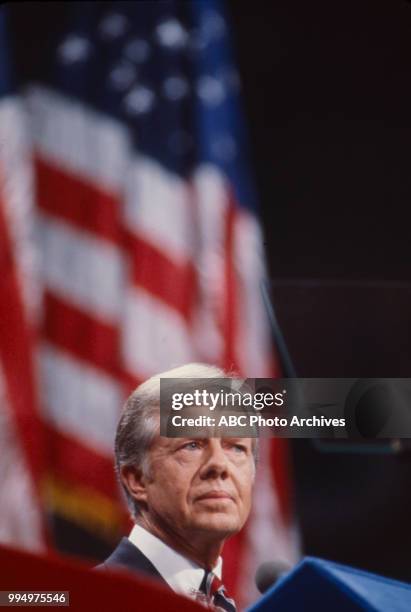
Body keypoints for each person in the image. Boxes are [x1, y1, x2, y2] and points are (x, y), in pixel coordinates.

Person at [97, 363, 257, 611]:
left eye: (236, 447)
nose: (219, 465)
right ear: (137, 480)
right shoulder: (92, 600)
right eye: (192, 445)